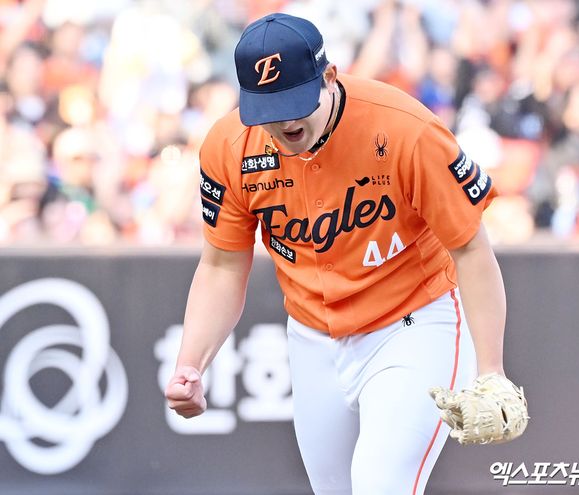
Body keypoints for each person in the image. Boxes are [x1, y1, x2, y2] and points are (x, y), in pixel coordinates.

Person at [164, 13, 528, 495]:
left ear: (329, 77)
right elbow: (222, 264)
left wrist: (492, 371)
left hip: (413, 323)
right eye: (268, 107)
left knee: (381, 484)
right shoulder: (229, 146)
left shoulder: (405, 129)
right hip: (312, 336)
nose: (285, 120)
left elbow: (471, 248)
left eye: (294, 101)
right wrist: (191, 363)